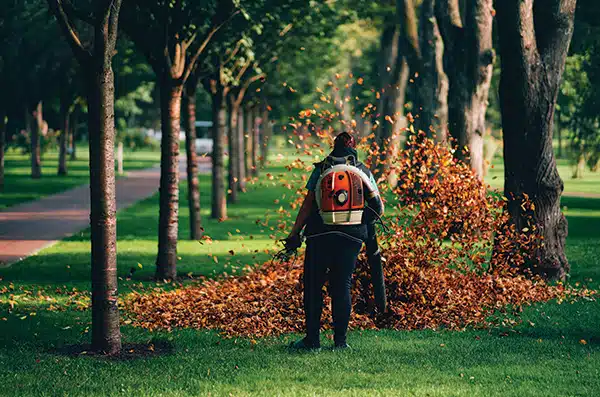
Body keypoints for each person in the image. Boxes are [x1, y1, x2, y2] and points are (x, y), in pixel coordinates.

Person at [286, 131, 383, 351]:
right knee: (342, 285)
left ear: (333, 146)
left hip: (320, 235)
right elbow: (378, 207)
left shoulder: (321, 170)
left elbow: (308, 204)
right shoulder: (362, 171)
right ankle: (340, 342)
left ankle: (312, 341)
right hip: (352, 236)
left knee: (313, 286)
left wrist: (294, 234)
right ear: (354, 147)